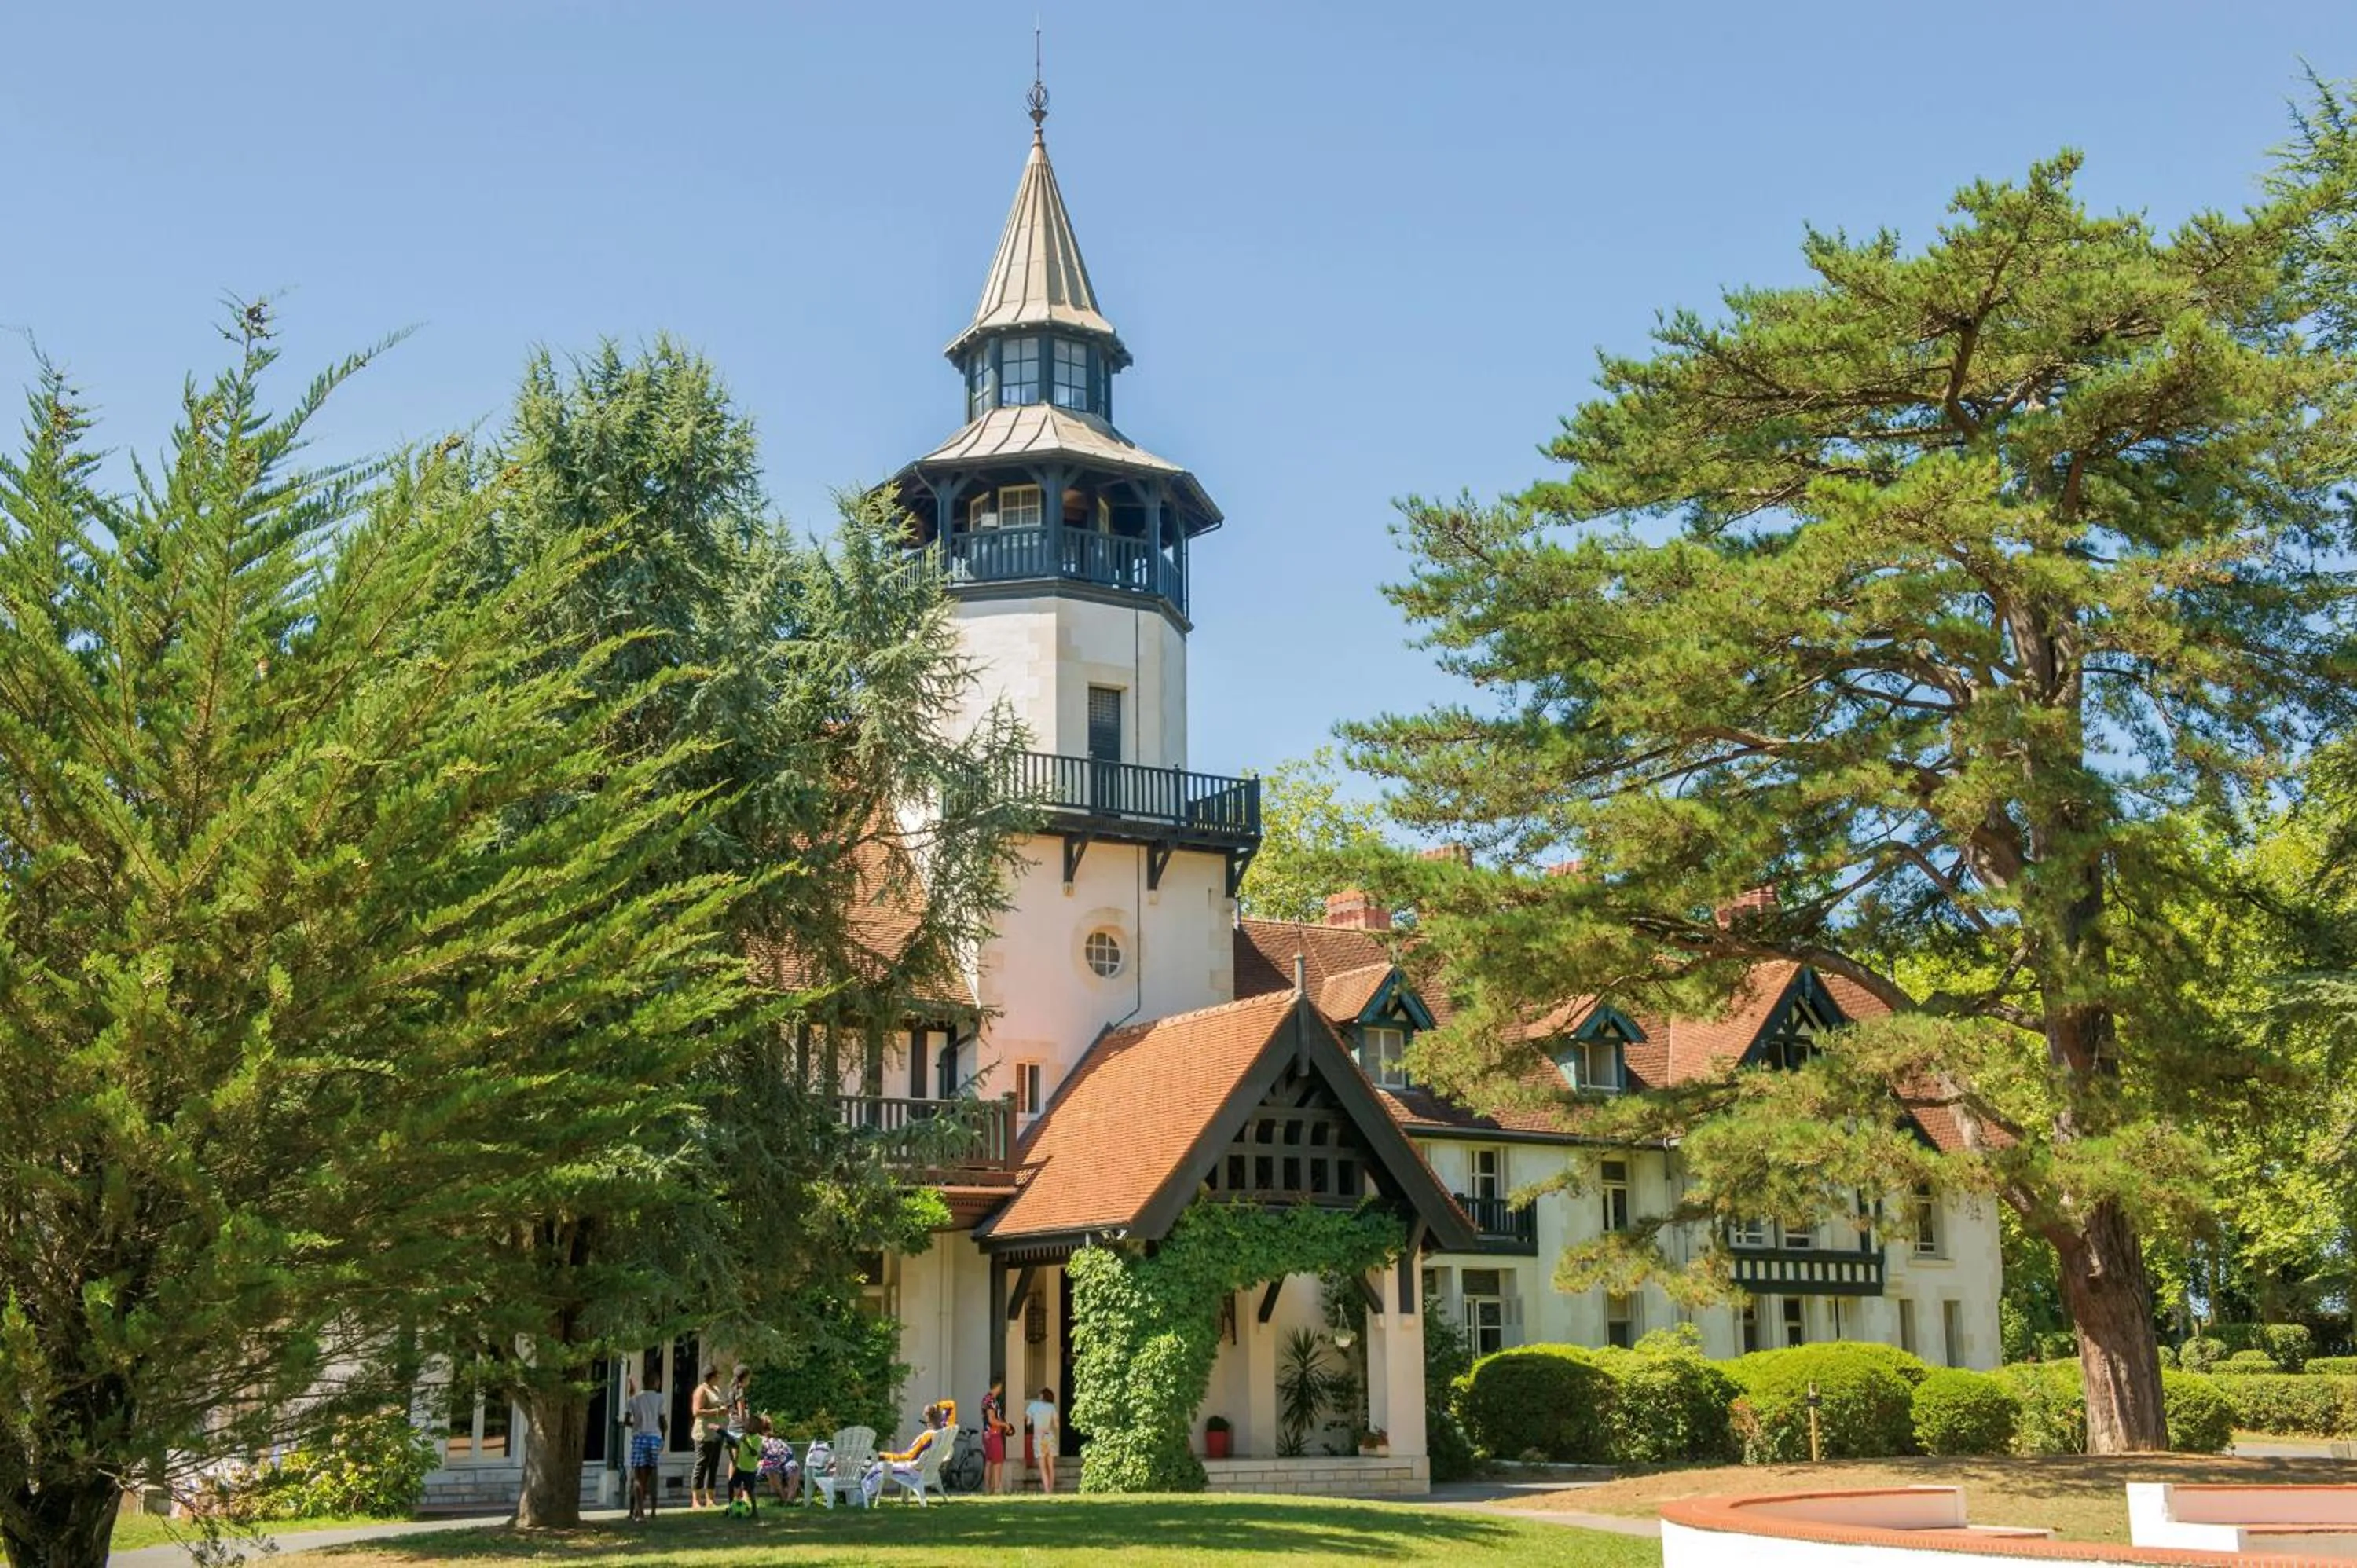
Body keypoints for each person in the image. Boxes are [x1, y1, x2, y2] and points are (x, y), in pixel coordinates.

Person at [863, 1401, 948, 1504]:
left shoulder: (928, 1436)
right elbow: (951, 1406)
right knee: (872, 1463)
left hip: (912, 1470)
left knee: (877, 1467)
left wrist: (886, 1456)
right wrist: (938, 1407)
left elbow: (908, 1457)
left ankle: (862, 1494)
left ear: (927, 1418)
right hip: (924, 1468)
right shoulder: (941, 1433)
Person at [623, 1368, 667, 1523]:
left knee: (638, 1476)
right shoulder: (660, 1398)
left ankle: (639, 1512)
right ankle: (652, 1510)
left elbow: (627, 1421)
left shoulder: (634, 1400)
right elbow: (663, 1422)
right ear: (655, 1383)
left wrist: (637, 1425)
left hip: (639, 1439)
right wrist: (663, 1438)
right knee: (650, 1475)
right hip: (654, 1438)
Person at [689, 1364, 728, 1508]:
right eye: (717, 1375)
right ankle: (696, 1500)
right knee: (701, 1465)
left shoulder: (715, 1389)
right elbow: (696, 1412)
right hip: (704, 1433)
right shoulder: (701, 1390)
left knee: (713, 1466)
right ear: (711, 1376)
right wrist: (717, 1412)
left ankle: (710, 1498)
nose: (719, 1377)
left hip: (716, 1433)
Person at [1024, 1386, 1061, 1495]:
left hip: (1039, 1438)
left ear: (1042, 1396)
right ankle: (1051, 1489)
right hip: (1049, 1437)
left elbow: (1028, 1422)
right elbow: (1056, 1424)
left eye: (1040, 1394)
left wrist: (1031, 1420)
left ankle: (1047, 1490)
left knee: (1042, 1466)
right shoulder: (1052, 1407)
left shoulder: (1033, 1406)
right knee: (1050, 1466)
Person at [755, 1416, 800, 1506]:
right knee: (770, 1468)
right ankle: (784, 1499)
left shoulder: (776, 1439)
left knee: (794, 1466)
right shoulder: (756, 1439)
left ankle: (790, 1499)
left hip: (785, 1461)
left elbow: (789, 1453)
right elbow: (757, 1457)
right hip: (770, 1463)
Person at [980, 1379, 1012, 1495]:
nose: (1001, 1389)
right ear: (997, 1386)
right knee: (997, 1462)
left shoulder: (986, 1399)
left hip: (987, 1434)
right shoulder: (991, 1401)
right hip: (993, 1434)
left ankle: (988, 1488)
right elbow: (992, 1420)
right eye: (1001, 1386)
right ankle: (997, 1488)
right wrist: (1005, 1424)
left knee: (989, 1462)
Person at [728, 1421, 764, 1517]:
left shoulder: (758, 1439)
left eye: (750, 1424)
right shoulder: (744, 1436)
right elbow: (737, 1445)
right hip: (740, 1467)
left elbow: (754, 1453)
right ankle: (730, 1507)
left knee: (750, 1490)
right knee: (731, 1485)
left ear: (756, 1427)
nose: (747, 1426)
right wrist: (730, 1446)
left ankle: (755, 1511)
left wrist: (746, 1443)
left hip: (750, 1470)